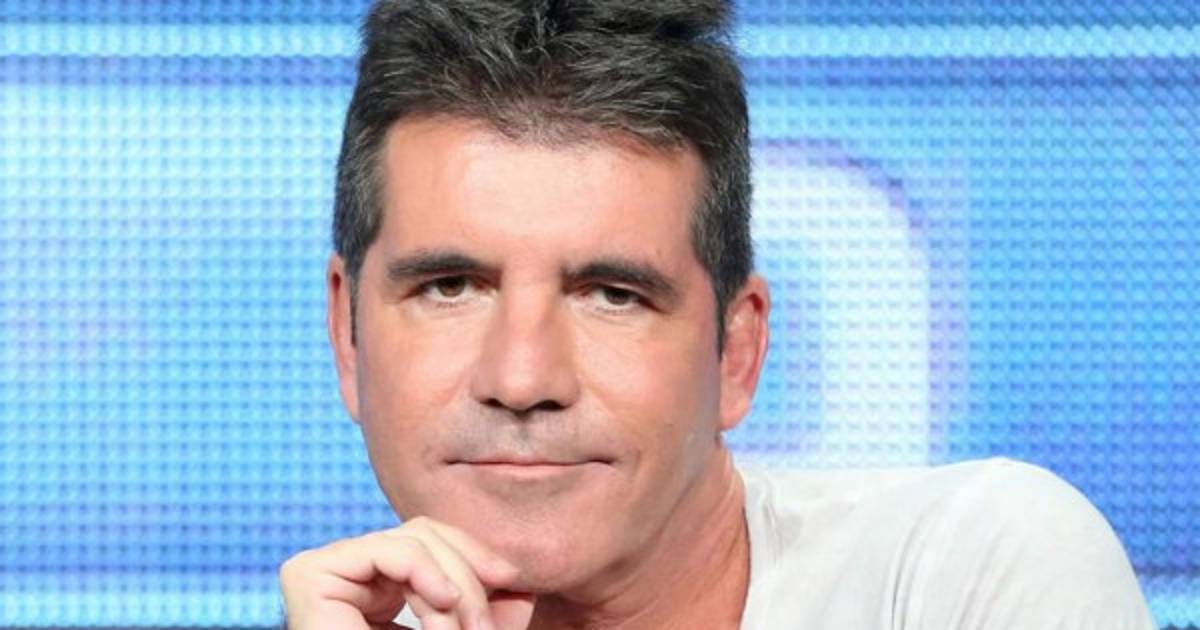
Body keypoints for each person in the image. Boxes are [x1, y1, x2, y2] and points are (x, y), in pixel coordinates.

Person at [279, 1, 1158, 628]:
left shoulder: (966, 571)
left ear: (737, 351)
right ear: (347, 336)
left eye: (612, 294)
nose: (521, 378)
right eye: (449, 287)